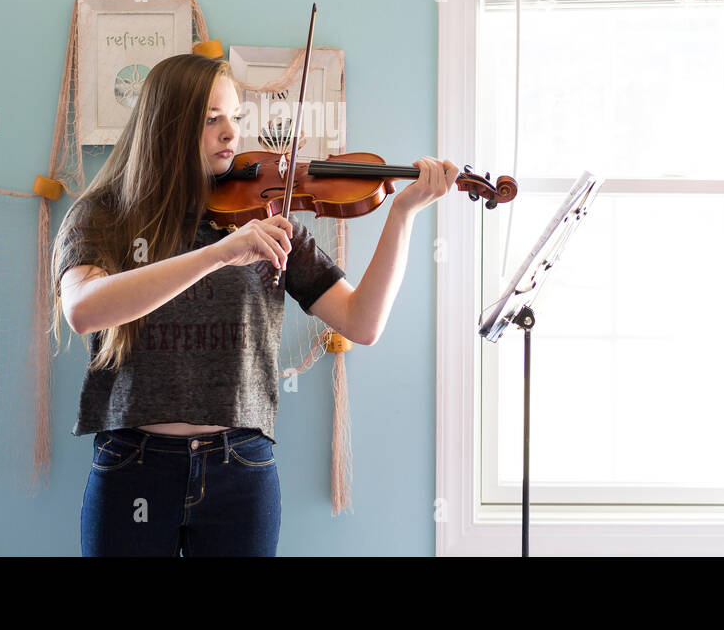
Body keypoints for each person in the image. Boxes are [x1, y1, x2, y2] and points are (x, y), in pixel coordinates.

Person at [51, 52, 458, 556]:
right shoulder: (104, 215)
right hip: (133, 465)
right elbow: (84, 308)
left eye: (236, 118)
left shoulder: (267, 219)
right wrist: (219, 253)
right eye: (212, 119)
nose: (231, 134)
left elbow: (363, 321)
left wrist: (403, 213)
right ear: (166, 124)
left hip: (238, 468)